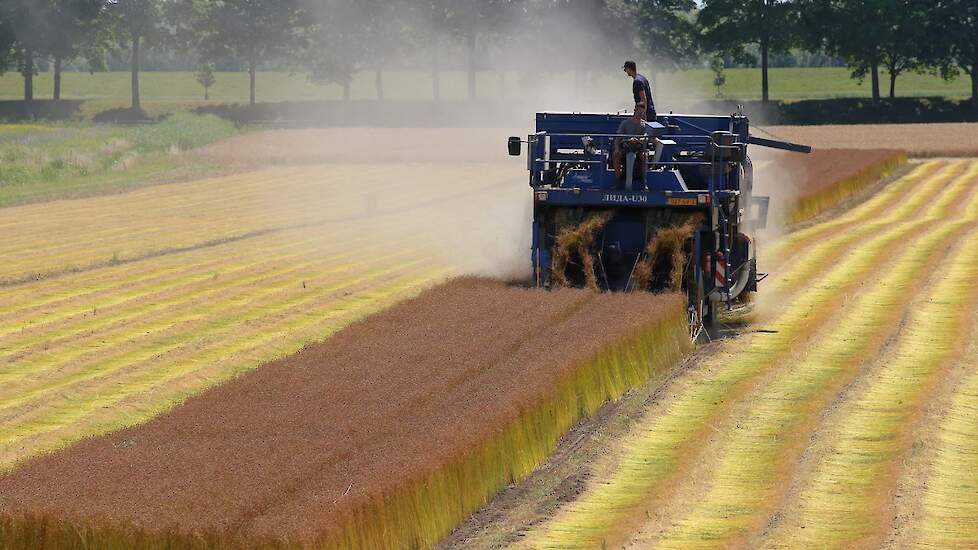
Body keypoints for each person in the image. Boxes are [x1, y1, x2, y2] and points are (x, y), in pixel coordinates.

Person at [613, 107, 650, 188]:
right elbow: (618, 138)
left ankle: (644, 181)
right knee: (616, 155)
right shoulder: (625, 123)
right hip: (625, 147)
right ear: (635, 111)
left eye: (641, 113)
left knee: (644, 156)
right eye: (638, 112)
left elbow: (646, 137)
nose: (639, 114)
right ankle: (617, 180)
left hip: (638, 148)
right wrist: (617, 148)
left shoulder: (644, 125)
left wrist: (639, 140)